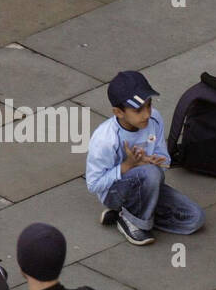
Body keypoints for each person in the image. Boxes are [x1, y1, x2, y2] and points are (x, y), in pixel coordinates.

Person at [85, 70, 205, 246]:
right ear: (118, 112)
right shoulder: (105, 139)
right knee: (152, 174)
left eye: (149, 105)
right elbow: (94, 184)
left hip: (149, 186)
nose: (147, 114)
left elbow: (165, 160)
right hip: (114, 193)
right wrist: (128, 165)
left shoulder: (154, 119)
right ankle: (134, 220)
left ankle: (127, 216)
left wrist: (151, 160)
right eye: (138, 110)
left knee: (195, 219)